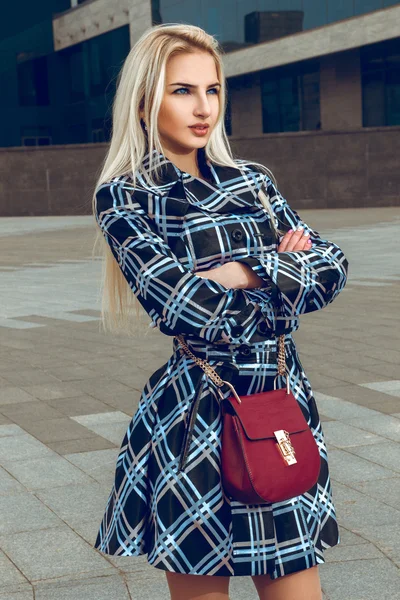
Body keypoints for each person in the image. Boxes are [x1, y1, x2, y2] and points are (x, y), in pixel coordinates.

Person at [92, 22, 349, 600]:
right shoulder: (126, 195)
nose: (203, 107)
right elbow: (184, 307)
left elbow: (331, 268)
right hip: (196, 420)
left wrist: (244, 271)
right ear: (143, 101)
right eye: (183, 90)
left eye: (212, 90)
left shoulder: (256, 183)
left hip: (278, 402)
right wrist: (282, 277)